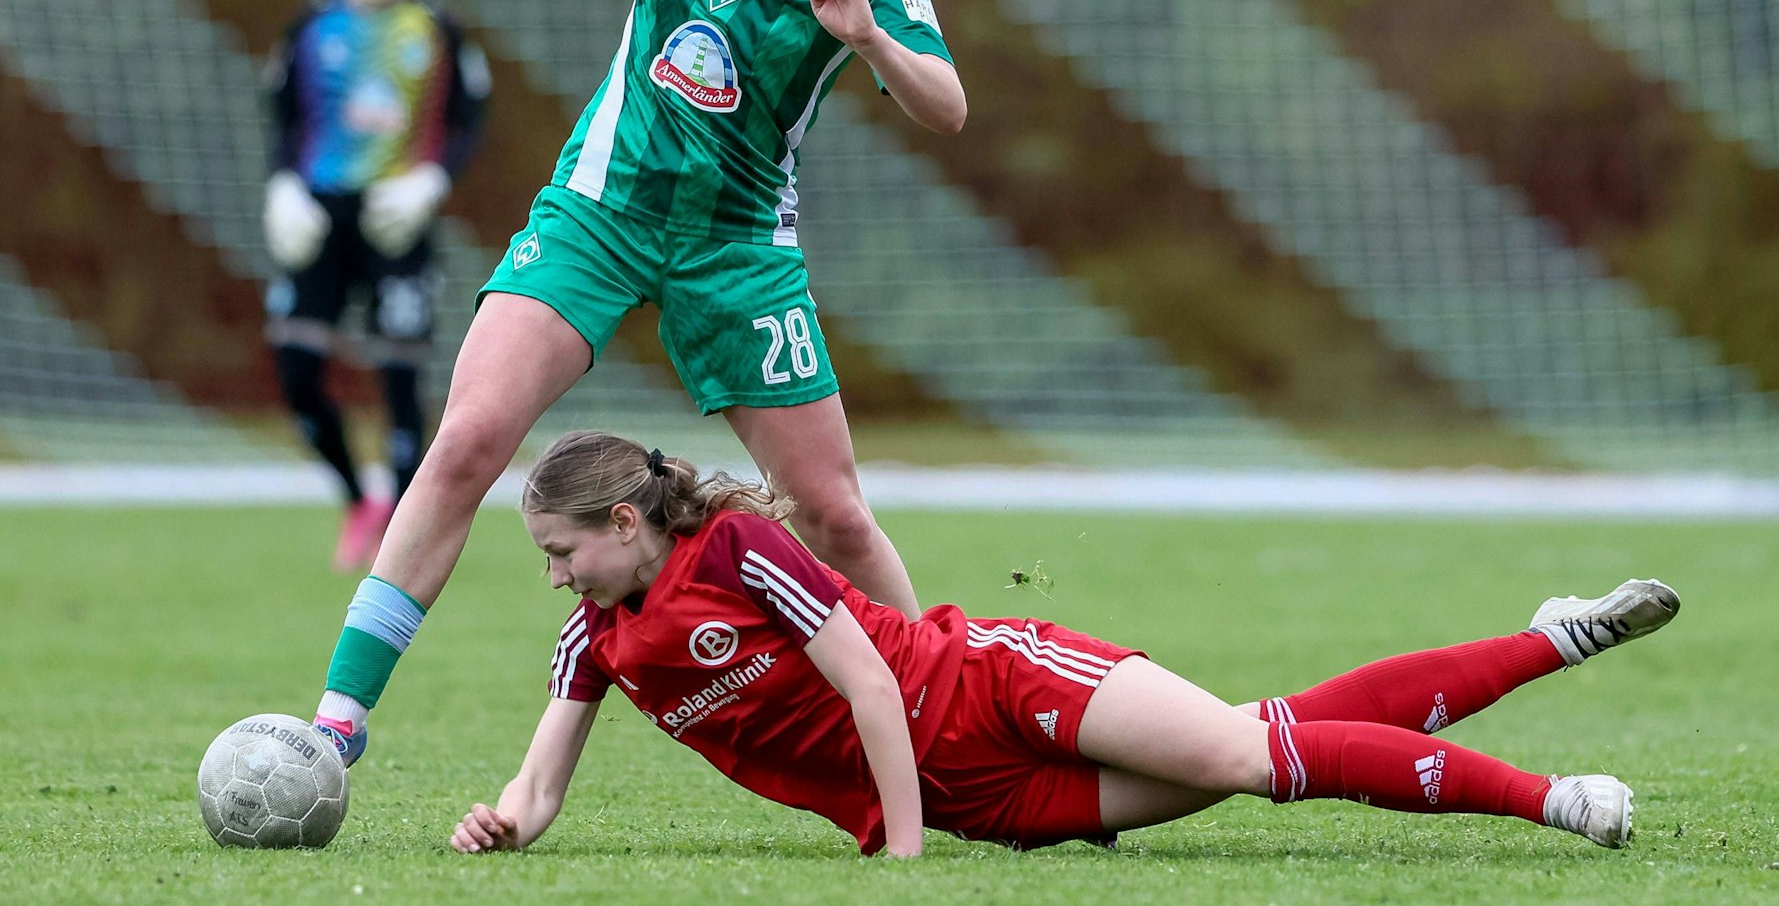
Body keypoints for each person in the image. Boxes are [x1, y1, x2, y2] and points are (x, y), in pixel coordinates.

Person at [309, 0, 1020, 767]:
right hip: (602, 207)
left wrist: (868, 36)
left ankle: (947, 723)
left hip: (737, 247)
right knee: (470, 437)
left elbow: (949, 105)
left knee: (832, 513)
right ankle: (334, 725)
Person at [449, 432, 1680, 858]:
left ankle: (1552, 801)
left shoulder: (730, 550)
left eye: (563, 549)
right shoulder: (595, 639)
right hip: (995, 801)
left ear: (624, 522)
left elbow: (872, 678)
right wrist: (506, 817)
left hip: (990, 684)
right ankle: (1549, 638)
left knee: (1255, 756)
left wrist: (908, 845)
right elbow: (542, 780)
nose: (555, 574)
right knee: (1271, 737)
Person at [262, 0, 490, 571]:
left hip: (398, 217)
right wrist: (281, 188)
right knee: (296, 368)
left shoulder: (438, 27)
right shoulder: (309, 25)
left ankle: (400, 522)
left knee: (400, 376)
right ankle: (356, 497)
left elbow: (469, 118)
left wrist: (432, 182)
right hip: (320, 217)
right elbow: (281, 115)